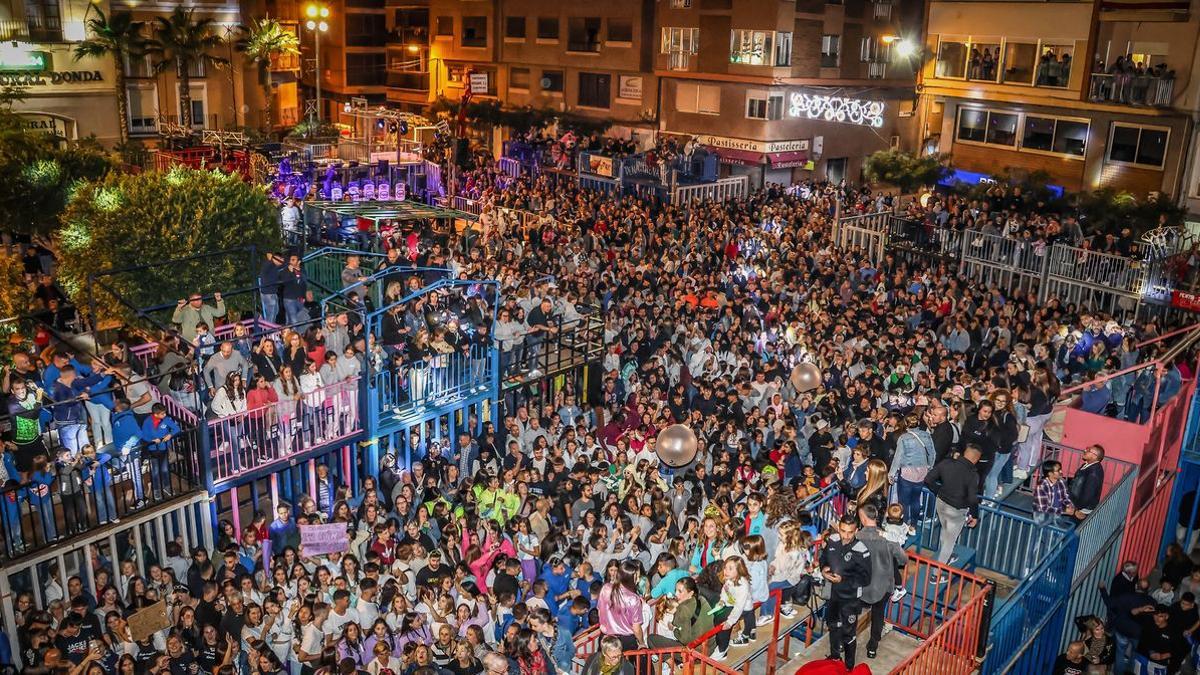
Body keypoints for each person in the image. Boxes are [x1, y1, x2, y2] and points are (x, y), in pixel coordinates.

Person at [856, 504, 907, 660]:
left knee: (851, 611)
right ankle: (872, 647)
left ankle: (844, 642)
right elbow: (903, 559)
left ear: (863, 518)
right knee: (878, 616)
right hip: (882, 585)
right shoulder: (887, 539)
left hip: (861, 585)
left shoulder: (856, 536)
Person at [819, 515, 872, 668]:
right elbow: (824, 558)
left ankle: (849, 667)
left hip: (850, 599)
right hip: (833, 595)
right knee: (833, 625)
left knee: (848, 634)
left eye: (850, 532)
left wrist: (844, 580)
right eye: (843, 531)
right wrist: (824, 569)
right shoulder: (833, 540)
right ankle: (835, 658)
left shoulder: (861, 551)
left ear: (856, 530)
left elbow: (866, 579)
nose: (846, 535)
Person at [924, 445, 981, 575]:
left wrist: (938, 491)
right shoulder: (972, 475)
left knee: (945, 531)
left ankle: (946, 557)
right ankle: (935, 575)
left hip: (941, 503)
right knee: (950, 541)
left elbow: (928, 479)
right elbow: (972, 498)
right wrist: (975, 515)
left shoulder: (946, 463)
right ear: (976, 459)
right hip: (956, 510)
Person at [140, 403, 181, 500]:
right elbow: (143, 435)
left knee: (165, 469)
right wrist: (152, 440)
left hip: (163, 448)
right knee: (155, 472)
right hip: (153, 450)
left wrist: (170, 435)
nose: (165, 415)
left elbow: (176, 428)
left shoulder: (166, 420)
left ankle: (166, 487)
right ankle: (156, 490)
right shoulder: (147, 422)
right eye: (162, 413)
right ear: (156, 414)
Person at [1068, 445, 1105, 520]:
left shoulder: (1094, 473)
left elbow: (1088, 495)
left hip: (1080, 510)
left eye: (1089, 451)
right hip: (1075, 504)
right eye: (1086, 449)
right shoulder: (1087, 465)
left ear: (1095, 456)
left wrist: (1076, 509)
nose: (1085, 451)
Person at [1034, 460, 1076, 526]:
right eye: (1058, 470)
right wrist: (1064, 510)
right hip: (1043, 518)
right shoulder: (1042, 486)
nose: (1061, 472)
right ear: (1050, 473)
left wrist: (1070, 505)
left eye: (1060, 469)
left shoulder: (1062, 482)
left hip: (1057, 515)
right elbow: (1043, 508)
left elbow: (1065, 496)